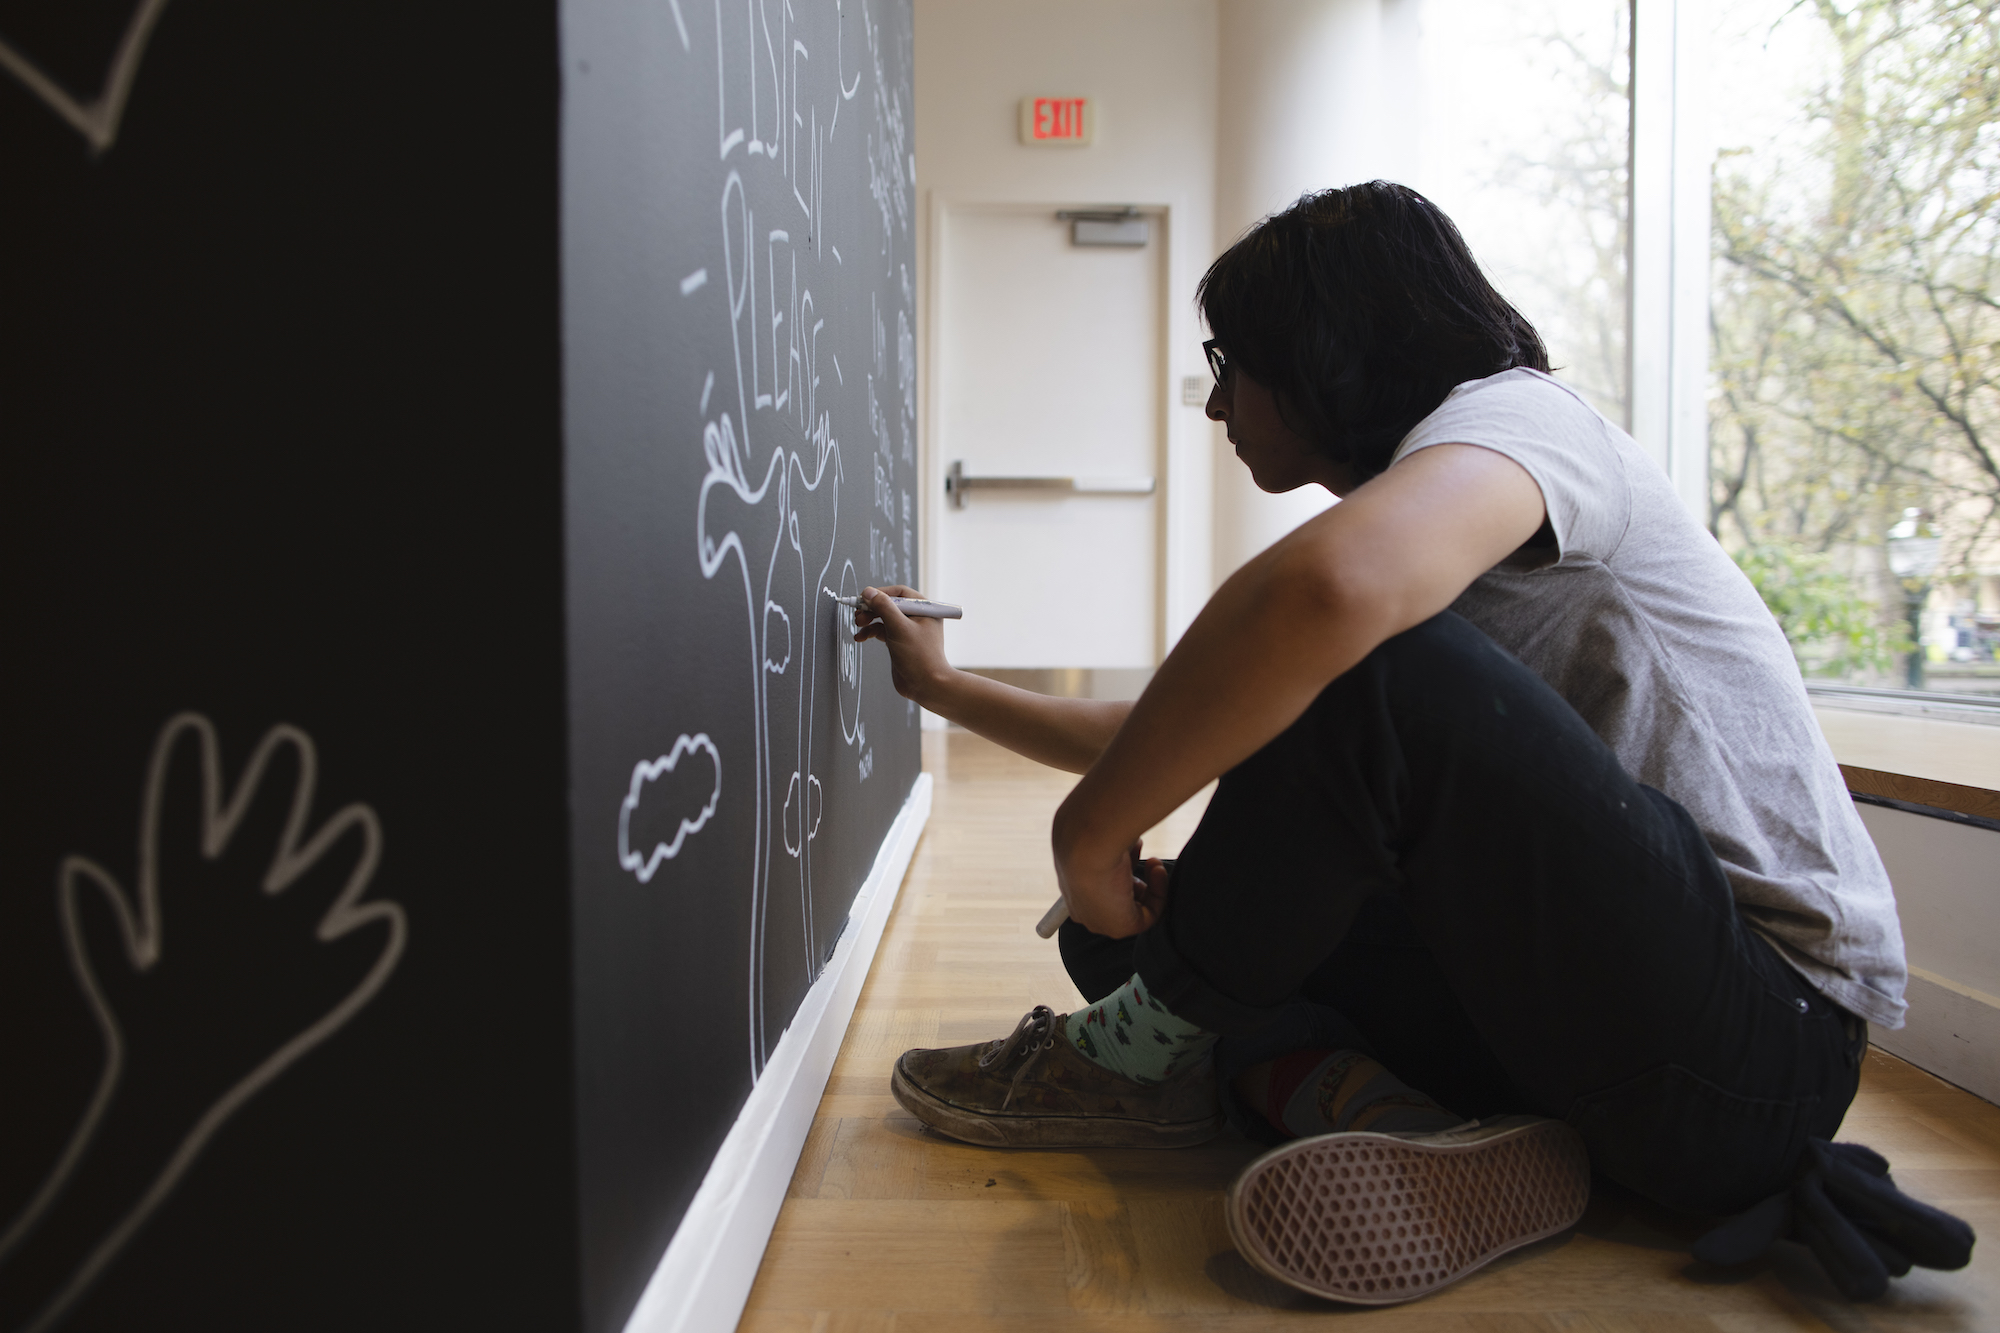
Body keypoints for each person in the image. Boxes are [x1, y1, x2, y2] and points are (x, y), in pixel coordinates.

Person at [851, 182, 1973, 1306]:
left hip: (1754, 1046)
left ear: (1319, 348)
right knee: (1137, 935)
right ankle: (1413, 1128)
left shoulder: (1525, 421)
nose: (1214, 404)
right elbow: (1163, 727)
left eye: (1228, 361)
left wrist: (1083, 828)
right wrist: (942, 688)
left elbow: (1330, 599)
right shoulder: (1423, 517)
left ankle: (1174, 1074)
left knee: (1337, 691)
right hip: (1589, 1047)